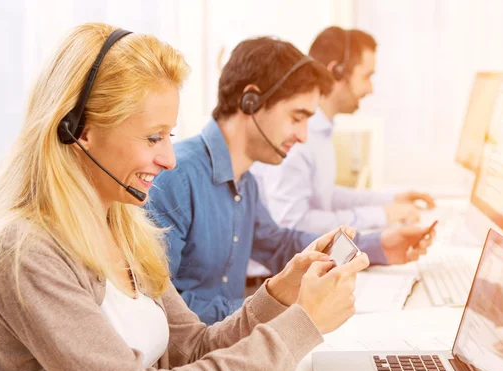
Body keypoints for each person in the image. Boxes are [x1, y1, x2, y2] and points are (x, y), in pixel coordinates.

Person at [0, 23, 370, 371]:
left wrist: (281, 294)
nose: (169, 158)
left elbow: (192, 349)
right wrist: (301, 326)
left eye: (169, 136)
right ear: (77, 130)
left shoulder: (125, 227)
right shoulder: (28, 252)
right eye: (153, 138)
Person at [148, 36, 434, 325]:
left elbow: (280, 246)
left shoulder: (245, 182)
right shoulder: (175, 177)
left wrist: (379, 246)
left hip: (234, 346)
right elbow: (165, 311)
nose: (303, 136)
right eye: (296, 118)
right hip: (202, 360)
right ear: (251, 101)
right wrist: (285, 306)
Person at [251, 26, 437, 234]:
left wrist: (390, 200)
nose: (370, 89)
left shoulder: (320, 130)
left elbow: (325, 196)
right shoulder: (297, 136)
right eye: (366, 77)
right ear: (336, 72)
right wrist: (382, 215)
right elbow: (293, 222)